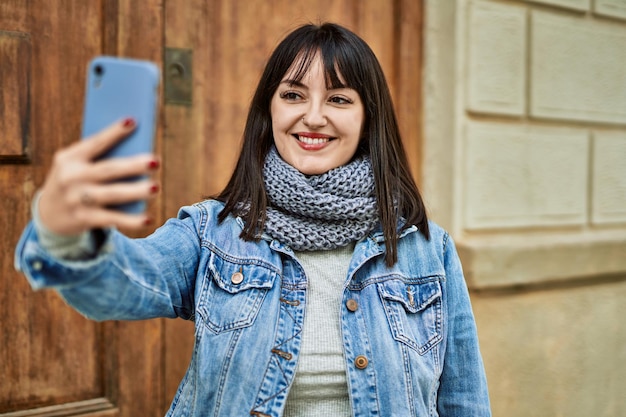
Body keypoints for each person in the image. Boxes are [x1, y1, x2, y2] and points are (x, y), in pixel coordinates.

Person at [15, 23, 491, 416]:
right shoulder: (212, 233)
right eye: (293, 95)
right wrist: (65, 229)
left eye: (340, 99)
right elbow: (123, 286)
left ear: (369, 119)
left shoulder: (428, 249)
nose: (314, 116)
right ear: (270, 109)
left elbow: (464, 400)